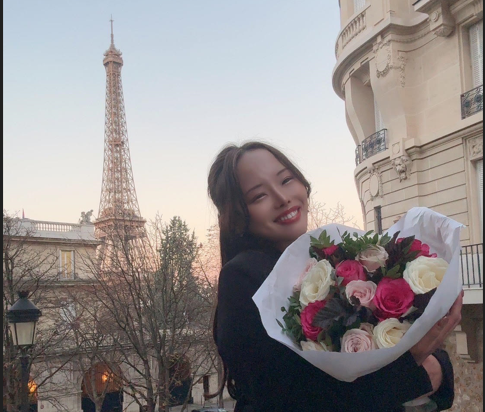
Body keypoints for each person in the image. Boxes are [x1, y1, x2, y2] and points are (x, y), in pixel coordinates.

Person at [206, 141, 462, 412]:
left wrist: (433, 363)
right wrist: (414, 370)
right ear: (238, 216)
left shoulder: (328, 259)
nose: (282, 198)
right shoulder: (242, 278)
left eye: (286, 180)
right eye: (259, 196)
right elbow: (287, 397)